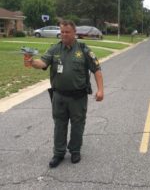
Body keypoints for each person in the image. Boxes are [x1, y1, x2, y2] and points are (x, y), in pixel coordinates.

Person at [24, 20, 104, 167]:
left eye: (67, 32)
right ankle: (59, 153)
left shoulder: (83, 49)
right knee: (59, 124)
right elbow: (42, 63)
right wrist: (31, 61)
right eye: (62, 32)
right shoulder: (55, 49)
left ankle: (75, 151)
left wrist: (100, 90)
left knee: (77, 124)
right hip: (59, 95)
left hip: (78, 97)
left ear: (74, 33)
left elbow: (97, 70)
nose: (64, 34)